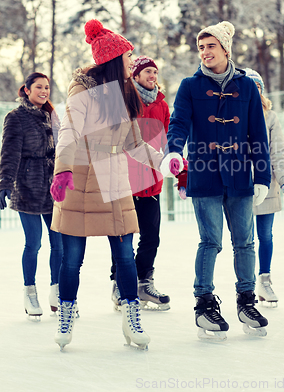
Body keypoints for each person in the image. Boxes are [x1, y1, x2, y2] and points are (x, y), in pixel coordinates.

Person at [50, 19, 181, 351]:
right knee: (72, 258)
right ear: (111, 60)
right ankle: (66, 313)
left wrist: (163, 161)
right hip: (79, 180)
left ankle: (131, 316)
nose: (131, 62)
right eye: (126, 57)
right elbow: (68, 133)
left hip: (114, 180)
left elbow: (134, 141)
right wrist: (62, 172)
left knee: (124, 255)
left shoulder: (123, 93)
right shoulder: (81, 91)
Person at [167, 21, 271, 340]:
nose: (205, 52)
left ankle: (246, 300)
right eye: (201, 47)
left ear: (225, 49)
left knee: (245, 242)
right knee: (210, 241)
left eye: (210, 46)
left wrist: (262, 176)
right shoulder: (190, 86)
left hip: (240, 175)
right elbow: (179, 123)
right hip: (204, 173)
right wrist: (173, 151)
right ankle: (204, 304)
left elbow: (258, 134)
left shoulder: (247, 87)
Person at [0, 72, 62, 320]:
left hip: (54, 187)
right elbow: (9, 153)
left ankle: (57, 292)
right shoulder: (16, 117)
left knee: (58, 242)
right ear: (26, 90)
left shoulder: (52, 116)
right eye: (39, 87)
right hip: (27, 185)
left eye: (46, 87)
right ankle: (30, 291)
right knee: (34, 242)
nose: (44, 91)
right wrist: (4, 183)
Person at [110, 55, 171, 311]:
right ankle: (119, 284)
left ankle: (144, 282)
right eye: (147, 72)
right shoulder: (124, 100)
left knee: (151, 237)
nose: (152, 76)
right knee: (124, 237)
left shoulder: (162, 105)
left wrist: (171, 167)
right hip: (125, 181)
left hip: (152, 183)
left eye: (154, 72)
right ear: (134, 76)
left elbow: (167, 141)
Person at [245, 68, 284, 307]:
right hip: (242, 184)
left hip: (267, 182)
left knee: (265, 235)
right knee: (244, 239)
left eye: (257, 86)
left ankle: (264, 281)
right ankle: (245, 285)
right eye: (249, 86)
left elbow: (278, 152)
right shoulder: (235, 115)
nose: (254, 91)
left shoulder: (270, 117)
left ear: (262, 90)